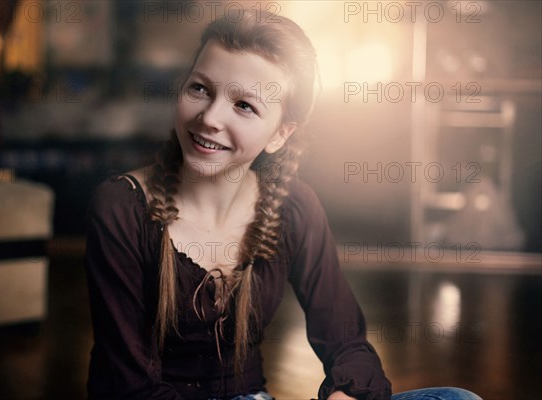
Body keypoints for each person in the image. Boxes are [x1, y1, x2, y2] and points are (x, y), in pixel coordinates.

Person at [85, 10, 482, 400]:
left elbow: (348, 345)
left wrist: (345, 393)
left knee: (457, 399)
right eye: (200, 88)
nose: (210, 117)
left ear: (280, 134)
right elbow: (129, 386)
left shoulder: (293, 208)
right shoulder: (122, 207)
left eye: (244, 106)